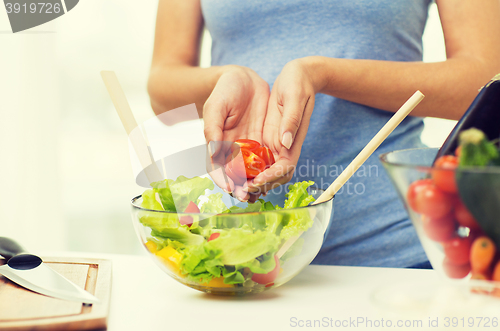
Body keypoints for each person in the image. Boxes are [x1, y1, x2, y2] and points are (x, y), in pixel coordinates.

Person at [147, 0, 500, 267]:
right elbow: (162, 89)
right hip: (242, 253)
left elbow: (483, 76)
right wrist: (221, 80)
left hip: (396, 255)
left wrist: (325, 75)